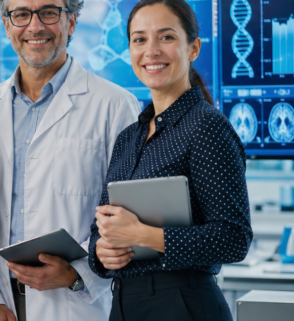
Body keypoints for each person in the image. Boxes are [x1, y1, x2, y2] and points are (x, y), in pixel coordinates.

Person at [0, 0, 142, 320]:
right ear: (7, 26)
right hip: (1, 304)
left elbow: (129, 217)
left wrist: (78, 274)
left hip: (76, 304)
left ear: (71, 22)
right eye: (21, 14)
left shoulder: (116, 106)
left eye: (49, 12)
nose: (35, 27)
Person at [89, 1, 251, 320]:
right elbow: (103, 225)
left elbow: (234, 238)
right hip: (123, 304)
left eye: (166, 37)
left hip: (182, 304)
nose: (151, 51)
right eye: (139, 39)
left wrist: (143, 235)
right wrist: (101, 251)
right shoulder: (128, 138)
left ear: (193, 48)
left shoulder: (206, 126)